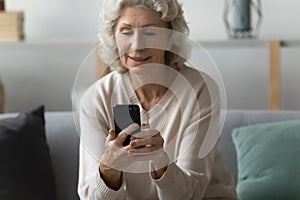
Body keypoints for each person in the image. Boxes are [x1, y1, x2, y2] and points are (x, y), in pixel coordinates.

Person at [77, 0, 238, 199]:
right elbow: (90, 197)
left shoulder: (199, 88)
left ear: (170, 38)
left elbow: (193, 193)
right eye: (126, 32)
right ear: (113, 37)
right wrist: (109, 169)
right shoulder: (96, 99)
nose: (137, 46)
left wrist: (162, 164)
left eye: (150, 32)